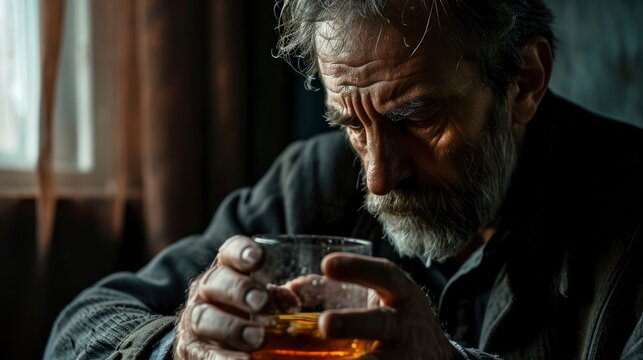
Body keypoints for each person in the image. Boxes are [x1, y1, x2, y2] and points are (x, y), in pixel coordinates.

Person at [45, 0, 643, 359]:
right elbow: (79, 326)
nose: (378, 178)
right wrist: (182, 341)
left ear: (526, 81)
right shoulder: (315, 179)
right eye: (353, 125)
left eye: (416, 118)